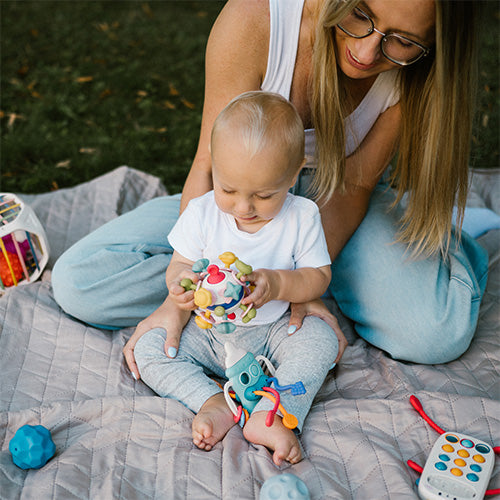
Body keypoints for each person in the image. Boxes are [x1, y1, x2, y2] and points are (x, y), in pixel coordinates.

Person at [52, 0, 488, 377]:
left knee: (436, 333)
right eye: (359, 15)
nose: (367, 50)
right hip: (232, 196)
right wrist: (184, 298)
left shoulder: (410, 74)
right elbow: (207, 164)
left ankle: (448, 249)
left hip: (333, 203)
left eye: (403, 41)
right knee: (80, 282)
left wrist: (302, 282)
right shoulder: (256, 20)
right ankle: (294, 288)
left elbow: (353, 186)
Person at [133, 91, 339, 465]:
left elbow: (318, 277)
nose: (243, 207)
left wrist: (277, 285)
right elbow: (179, 263)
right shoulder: (202, 211)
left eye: (264, 195)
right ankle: (215, 403)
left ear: (295, 174)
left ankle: (268, 414)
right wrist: (181, 284)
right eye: (228, 189)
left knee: (322, 340)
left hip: (275, 331)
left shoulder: (302, 215)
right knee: (150, 348)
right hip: (210, 333)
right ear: (215, 167)